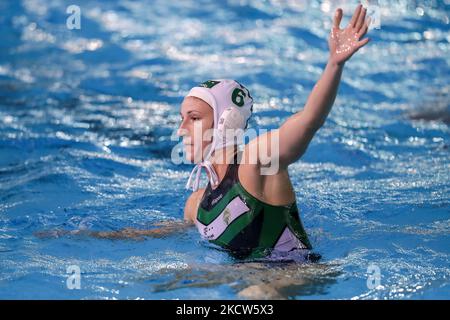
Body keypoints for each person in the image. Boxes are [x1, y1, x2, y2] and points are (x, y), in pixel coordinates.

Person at [36, 5, 371, 262]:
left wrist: (334, 65)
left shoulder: (256, 163)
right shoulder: (195, 203)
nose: (181, 128)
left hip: (292, 277)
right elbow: (161, 234)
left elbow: (309, 120)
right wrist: (93, 238)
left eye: (193, 118)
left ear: (225, 121)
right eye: (181, 118)